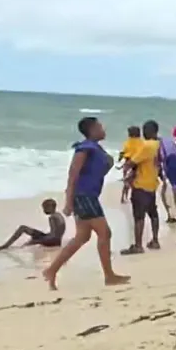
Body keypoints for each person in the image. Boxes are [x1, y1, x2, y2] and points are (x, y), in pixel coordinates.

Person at [42, 117, 128, 291]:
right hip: (84, 196)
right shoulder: (84, 148)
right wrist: (68, 201)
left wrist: (109, 163)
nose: (103, 129)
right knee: (105, 233)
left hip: (88, 195)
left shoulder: (95, 148)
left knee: (82, 237)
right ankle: (109, 276)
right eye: (100, 126)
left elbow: (97, 171)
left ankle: (51, 270)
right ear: (92, 129)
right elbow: (73, 174)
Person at [121, 120, 161, 255]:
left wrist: (126, 170)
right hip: (152, 183)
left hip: (141, 184)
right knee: (153, 213)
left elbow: (132, 162)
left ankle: (138, 246)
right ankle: (155, 240)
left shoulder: (146, 146)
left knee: (139, 216)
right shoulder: (158, 144)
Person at [0, 199, 66, 251]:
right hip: (56, 241)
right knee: (24, 228)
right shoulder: (58, 215)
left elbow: (53, 236)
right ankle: (6, 246)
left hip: (53, 242)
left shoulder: (52, 218)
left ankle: (5, 246)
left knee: (23, 229)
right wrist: (41, 236)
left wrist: (37, 241)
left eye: (45, 208)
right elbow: (57, 233)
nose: (43, 210)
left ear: (50, 207)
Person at [118, 125, 142, 204]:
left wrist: (119, 159)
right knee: (136, 182)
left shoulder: (127, 142)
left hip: (127, 163)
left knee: (126, 181)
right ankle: (134, 197)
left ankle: (123, 197)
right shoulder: (141, 142)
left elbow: (122, 153)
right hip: (137, 164)